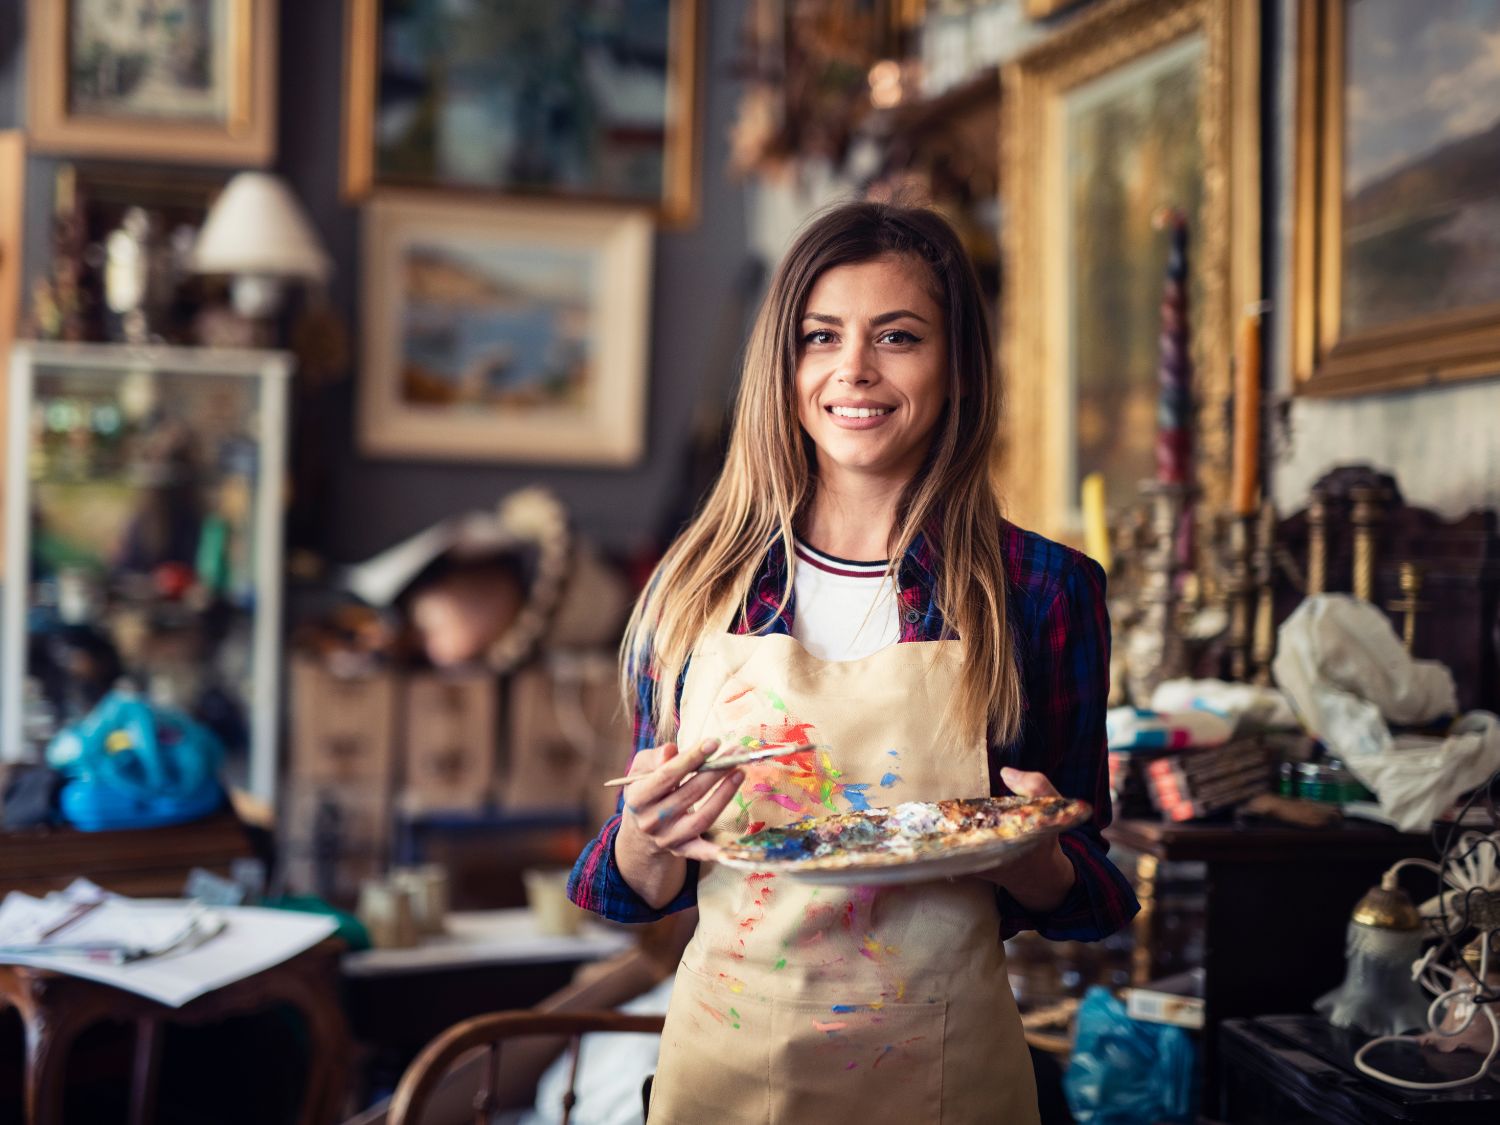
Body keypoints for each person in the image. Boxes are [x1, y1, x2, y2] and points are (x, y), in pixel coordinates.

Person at [568, 201, 1139, 1123]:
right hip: (726, 1073)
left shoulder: (1043, 588)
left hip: (945, 1078)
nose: (853, 370)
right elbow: (622, 889)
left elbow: (1098, 894)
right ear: (782, 367)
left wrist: (1032, 857)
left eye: (899, 336)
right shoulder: (696, 584)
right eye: (820, 336)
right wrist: (645, 832)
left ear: (957, 369)